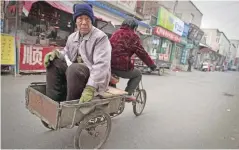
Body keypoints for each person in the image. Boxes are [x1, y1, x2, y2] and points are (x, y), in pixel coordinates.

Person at [43, 4, 112, 103]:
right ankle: (52, 103)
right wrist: (57, 54)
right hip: (74, 73)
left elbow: (102, 64)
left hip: (93, 76)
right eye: (80, 18)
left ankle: (69, 107)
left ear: (92, 20)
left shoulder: (100, 38)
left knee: (74, 68)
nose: (84, 22)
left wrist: (90, 87)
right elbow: (67, 53)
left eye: (87, 19)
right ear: (75, 20)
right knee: (53, 62)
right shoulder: (72, 37)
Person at [110, 17, 156, 101]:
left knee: (111, 85)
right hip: (121, 67)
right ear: (134, 28)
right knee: (138, 74)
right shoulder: (133, 36)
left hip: (108, 65)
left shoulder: (115, 33)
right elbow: (142, 53)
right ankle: (128, 95)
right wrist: (151, 65)